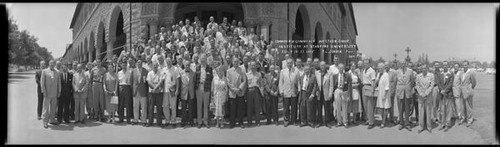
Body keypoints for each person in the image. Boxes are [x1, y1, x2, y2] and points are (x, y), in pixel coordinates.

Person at [227, 58, 247, 128]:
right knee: (232, 109)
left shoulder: (242, 70)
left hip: (240, 92)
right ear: (232, 62)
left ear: (238, 62)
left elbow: (244, 80)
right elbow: (228, 82)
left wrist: (240, 88)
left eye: (237, 61)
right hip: (232, 93)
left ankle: (241, 122)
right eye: (234, 61)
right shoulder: (229, 71)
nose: (235, 62)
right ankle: (232, 123)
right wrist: (234, 89)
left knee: (240, 109)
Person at [279, 58, 300, 127]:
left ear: (293, 63)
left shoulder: (296, 71)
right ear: (286, 63)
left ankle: (294, 120)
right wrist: (281, 91)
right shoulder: (283, 71)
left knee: (294, 108)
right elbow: (281, 82)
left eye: (291, 63)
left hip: (294, 92)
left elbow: (298, 81)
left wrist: (299, 90)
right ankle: (286, 120)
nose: (289, 64)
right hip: (286, 92)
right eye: (288, 63)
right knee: (286, 108)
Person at [41, 60, 61, 128]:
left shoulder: (57, 72)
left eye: (53, 64)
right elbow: (42, 82)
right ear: (49, 64)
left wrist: (59, 91)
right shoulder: (44, 71)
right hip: (47, 93)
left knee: (53, 108)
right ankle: (45, 121)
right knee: (46, 108)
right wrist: (44, 91)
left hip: (54, 93)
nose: (52, 65)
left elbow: (59, 83)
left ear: (54, 64)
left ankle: (52, 120)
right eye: (51, 63)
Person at [195, 54, 213, 128]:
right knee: (199, 106)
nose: (203, 60)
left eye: (204, 58)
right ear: (200, 59)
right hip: (199, 88)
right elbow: (195, 78)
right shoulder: (197, 67)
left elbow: (211, 78)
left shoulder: (209, 68)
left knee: (206, 105)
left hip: (206, 88)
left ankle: (205, 121)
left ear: (206, 59)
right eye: (202, 59)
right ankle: (199, 122)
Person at [395, 61, 414, 131]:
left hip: (407, 92)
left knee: (407, 108)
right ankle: (401, 123)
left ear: (406, 64)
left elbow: (412, 81)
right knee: (400, 108)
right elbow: (395, 81)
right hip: (400, 92)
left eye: (404, 63)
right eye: (401, 63)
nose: (403, 65)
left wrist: (408, 88)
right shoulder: (397, 72)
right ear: (400, 64)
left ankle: (407, 123)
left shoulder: (410, 71)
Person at [163, 57, 180, 128]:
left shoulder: (175, 69)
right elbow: (162, 80)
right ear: (166, 62)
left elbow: (177, 80)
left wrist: (177, 90)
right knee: (165, 106)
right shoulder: (164, 69)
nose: (168, 63)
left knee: (173, 106)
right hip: (165, 91)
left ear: (171, 62)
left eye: (169, 61)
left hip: (172, 91)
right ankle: (167, 120)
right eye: (167, 62)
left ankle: (173, 121)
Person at [333, 63, 352, 128]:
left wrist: (349, 94)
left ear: (343, 68)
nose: (341, 69)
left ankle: (345, 122)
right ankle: (339, 122)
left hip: (344, 91)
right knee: (338, 107)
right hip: (338, 90)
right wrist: (334, 92)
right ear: (338, 68)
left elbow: (349, 85)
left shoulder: (347, 75)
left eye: (342, 68)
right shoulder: (335, 76)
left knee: (344, 107)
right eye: (340, 68)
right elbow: (333, 85)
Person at [438, 61, 454, 132]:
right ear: (442, 66)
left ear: (448, 66)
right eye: (443, 65)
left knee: (448, 110)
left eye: (446, 65)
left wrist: (445, 91)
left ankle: (447, 124)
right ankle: (442, 124)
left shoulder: (451, 73)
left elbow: (450, 83)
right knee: (442, 110)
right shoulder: (440, 74)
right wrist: (441, 90)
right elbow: (438, 83)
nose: (445, 66)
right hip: (442, 95)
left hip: (448, 95)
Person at [131, 59, 149, 125]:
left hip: (143, 91)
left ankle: (144, 120)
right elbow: (131, 81)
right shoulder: (133, 71)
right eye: (138, 62)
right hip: (135, 91)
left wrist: (146, 91)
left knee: (143, 106)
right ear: (136, 63)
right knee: (135, 106)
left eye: (140, 63)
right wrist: (133, 90)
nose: (139, 64)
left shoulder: (146, 71)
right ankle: (135, 119)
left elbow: (147, 82)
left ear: (142, 63)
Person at [212, 61, 229, 128]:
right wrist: (212, 96)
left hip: (222, 94)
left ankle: (222, 122)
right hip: (216, 95)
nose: (220, 71)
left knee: (222, 109)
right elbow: (213, 87)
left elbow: (226, 88)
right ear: (217, 71)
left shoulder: (224, 78)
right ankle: (217, 123)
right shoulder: (214, 78)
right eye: (219, 70)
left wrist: (226, 96)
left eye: (221, 70)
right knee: (217, 109)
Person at [459, 61, 476, 127]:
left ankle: (469, 120)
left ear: (468, 65)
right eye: (463, 65)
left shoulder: (471, 72)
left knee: (469, 107)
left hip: (468, 92)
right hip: (462, 92)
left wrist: (470, 89)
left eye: (465, 65)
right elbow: (461, 82)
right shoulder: (461, 73)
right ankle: (463, 118)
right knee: (462, 107)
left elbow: (474, 82)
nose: (464, 66)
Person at [179, 60, 196, 128]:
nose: (187, 66)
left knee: (191, 108)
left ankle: (191, 121)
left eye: (188, 65)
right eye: (186, 65)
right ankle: (183, 121)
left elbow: (194, 82)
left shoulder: (193, 73)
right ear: (184, 65)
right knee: (183, 108)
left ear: (190, 65)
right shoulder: (181, 72)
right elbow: (180, 83)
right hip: (184, 92)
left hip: (191, 92)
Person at [361, 59, 377, 129]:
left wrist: (372, 90)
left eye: (367, 63)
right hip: (364, 87)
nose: (365, 64)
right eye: (364, 63)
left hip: (369, 87)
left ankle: (371, 122)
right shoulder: (364, 70)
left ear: (369, 64)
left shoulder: (372, 71)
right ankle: (368, 119)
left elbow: (373, 81)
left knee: (370, 106)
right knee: (365, 106)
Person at [147, 63, 164, 127]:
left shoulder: (161, 73)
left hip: (159, 92)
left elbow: (161, 82)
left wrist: (156, 88)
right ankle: (150, 122)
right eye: (154, 66)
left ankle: (159, 122)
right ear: (152, 66)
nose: (155, 67)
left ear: (158, 66)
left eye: (156, 66)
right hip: (152, 92)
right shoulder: (149, 73)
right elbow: (149, 82)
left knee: (159, 108)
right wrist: (154, 89)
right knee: (151, 108)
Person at [375, 63, 391, 128]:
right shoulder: (378, 74)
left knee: (384, 108)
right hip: (379, 92)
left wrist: (384, 95)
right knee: (381, 108)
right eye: (379, 68)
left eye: (381, 68)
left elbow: (387, 86)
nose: (380, 69)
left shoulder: (386, 75)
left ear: (384, 68)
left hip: (384, 93)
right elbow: (376, 82)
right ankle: (382, 120)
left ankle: (383, 122)